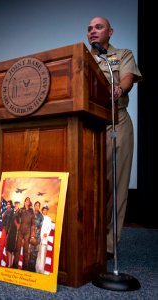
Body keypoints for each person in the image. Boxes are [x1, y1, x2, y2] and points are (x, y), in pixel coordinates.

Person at [87, 16, 142, 258]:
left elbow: (128, 77)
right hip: (88, 125)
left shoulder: (122, 54)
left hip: (116, 121)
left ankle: (109, 245)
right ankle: (88, 238)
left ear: (110, 31)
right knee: (92, 185)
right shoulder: (83, 58)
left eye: (98, 27)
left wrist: (120, 88)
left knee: (117, 186)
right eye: (89, 29)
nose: (92, 31)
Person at [12, 197, 35, 270]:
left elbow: (33, 224)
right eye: (26, 201)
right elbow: (14, 217)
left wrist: (32, 235)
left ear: (29, 203)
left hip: (28, 232)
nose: (27, 202)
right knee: (17, 249)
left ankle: (24, 267)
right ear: (24, 202)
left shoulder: (31, 212)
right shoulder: (20, 210)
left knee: (25, 250)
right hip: (20, 231)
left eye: (28, 201)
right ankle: (15, 266)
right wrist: (17, 225)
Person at [27, 201, 44, 272]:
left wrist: (38, 238)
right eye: (36, 205)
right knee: (28, 253)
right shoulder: (31, 214)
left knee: (35, 254)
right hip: (29, 236)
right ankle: (27, 269)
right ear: (34, 206)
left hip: (36, 238)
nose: (37, 207)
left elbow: (41, 228)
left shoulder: (41, 217)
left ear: (39, 207)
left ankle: (32, 270)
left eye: (38, 205)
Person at [35, 205, 52, 274]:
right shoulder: (39, 217)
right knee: (38, 253)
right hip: (38, 237)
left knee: (43, 253)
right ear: (42, 211)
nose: (45, 211)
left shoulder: (48, 219)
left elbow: (49, 228)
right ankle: (37, 269)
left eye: (46, 210)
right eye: (44, 210)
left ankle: (41, 270)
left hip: (44, 238)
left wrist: (46, 233)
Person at [0, 199, 13, 266]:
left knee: (6, 246)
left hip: (8, 230)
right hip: (4, 229)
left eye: (9, 204)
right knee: (1, 245)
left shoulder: (11, 211)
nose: (8, 205)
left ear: (11, 205)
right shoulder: (6, 211)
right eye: (7, 204)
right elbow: (2, 218)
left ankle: (6, 263)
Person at [6, 199, 20, 267]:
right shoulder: (11, 211)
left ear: (19, 204)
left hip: (17, 232)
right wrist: (7, 230)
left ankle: (14, 264)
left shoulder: (20, 212)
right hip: (11, 231)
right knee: (9, 248)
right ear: (14, 204)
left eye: (17, 203)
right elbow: (8, 221)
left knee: (15, 249)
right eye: (15, 203)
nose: (16, 204)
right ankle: (10, 263)